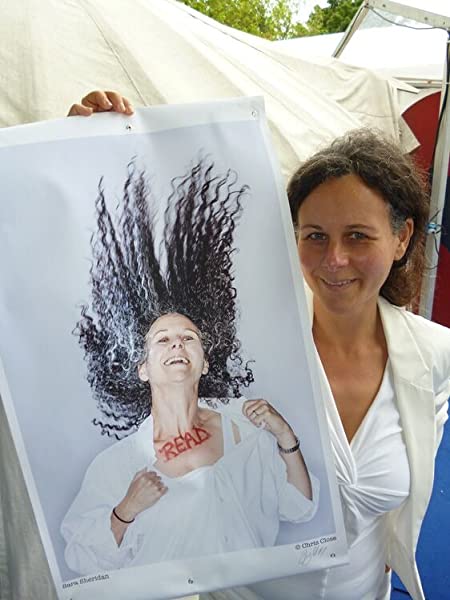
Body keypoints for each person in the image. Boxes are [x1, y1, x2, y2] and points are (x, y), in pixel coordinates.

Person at [69, 92, 450, 600]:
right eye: (315, 236)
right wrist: (88, 148)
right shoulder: (262, 347)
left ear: (401, 238)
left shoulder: (432, 356)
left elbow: (391, 501)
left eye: (358, 236)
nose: (334, 259)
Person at [60, 153, 318, 576]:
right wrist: (126, 510)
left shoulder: (248, 429)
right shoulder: (117, 464)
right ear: (143, 368)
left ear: (205, 361)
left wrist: (285, 437)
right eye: (162, 339)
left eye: (189, 338)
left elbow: (300, 508)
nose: (177, 344)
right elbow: (82, 559)